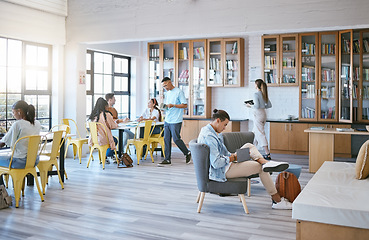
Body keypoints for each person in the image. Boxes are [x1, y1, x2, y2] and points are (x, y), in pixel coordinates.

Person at [197, 109, 292, 209]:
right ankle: (277, 200)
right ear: (218, 121)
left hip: (226, 164)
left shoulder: (209, 131)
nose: (225, 128)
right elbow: (216, 163)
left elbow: (223, 154)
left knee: (249, 145)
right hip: (221, 171)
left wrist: (234, 155)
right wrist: (233, 157)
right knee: (260, 167)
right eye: (224, 124)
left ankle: (265, 162)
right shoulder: (209, 137)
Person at [0, 101, 41, 184]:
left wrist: (3, 139)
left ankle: (2, 192)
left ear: (19, 111)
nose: (13, 115)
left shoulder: (18, 124)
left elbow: (2, 143)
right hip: (34, 160)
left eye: (13, 112)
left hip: (20, 161)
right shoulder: (37, 123)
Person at [158, 77, 191, 165]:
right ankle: (167, 159)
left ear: (170, 82)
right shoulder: (167, 93)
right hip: (167, 119)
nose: (165, 87)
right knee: (166, 139)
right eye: (163, 86)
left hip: (176, 120)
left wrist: (174, 105)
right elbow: (169, 106)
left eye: (165, 85)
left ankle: (187, 152)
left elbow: (184, 105)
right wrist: (164, 108)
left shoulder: (178, 92)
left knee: (176, 139)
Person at [246, 79, 272, 160]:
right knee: (254, 133)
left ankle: (267, 154)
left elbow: (256, 106)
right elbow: (269, 105)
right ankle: (250, 151)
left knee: (260, 134)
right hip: (263, 114)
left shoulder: (256, 94)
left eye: (254, 84)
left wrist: (249, 105)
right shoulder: (264, 94)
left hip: (258, 115)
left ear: (257, 85)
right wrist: (262, 106)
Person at [88, 97, 118, 163]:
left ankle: (105, 157)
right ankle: (109, 155)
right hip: (103, 139)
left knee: (109, 139)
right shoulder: (106, 115)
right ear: (104, 106)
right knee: (115, 140)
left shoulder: (93, 116)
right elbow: (113, 126)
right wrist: (116, 124)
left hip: (94, 139)